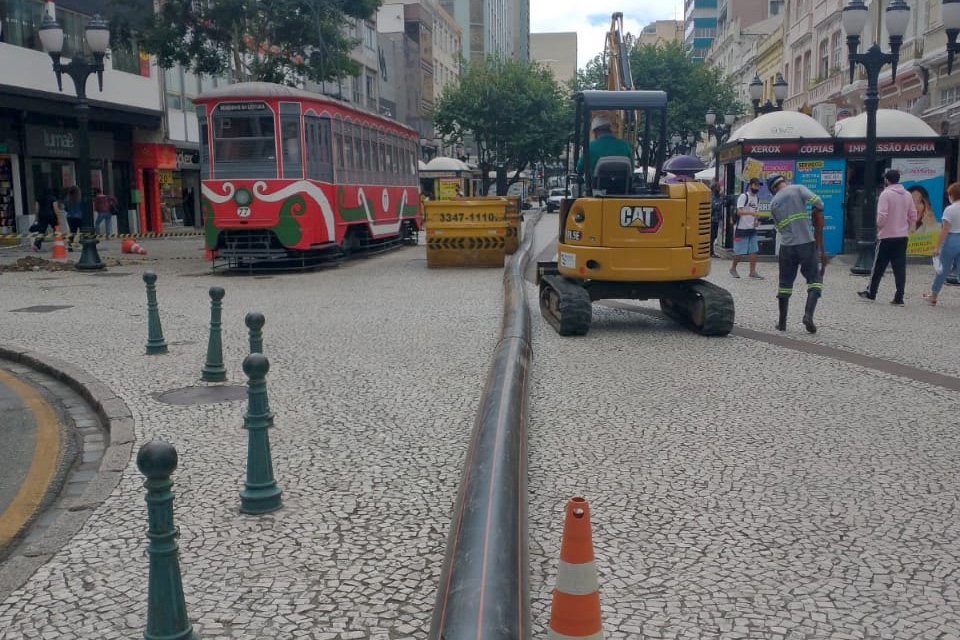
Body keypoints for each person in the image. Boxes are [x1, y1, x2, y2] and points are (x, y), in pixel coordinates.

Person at [766, 174, 826, 333]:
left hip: (787, 247)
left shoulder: (772, 204)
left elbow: (778, 227)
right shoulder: (798, 189)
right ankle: (808, 315)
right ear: (784, 181)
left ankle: (782, 323)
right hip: (806, 242)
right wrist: (817, 211)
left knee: (784, 284)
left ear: (772, 189)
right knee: (814, 280)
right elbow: (819, 202)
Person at [858, 169, 917, 305]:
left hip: (886, 236)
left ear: (886, 180)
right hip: (902, 236)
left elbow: (882, 215)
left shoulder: (886, 194)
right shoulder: (907, 194)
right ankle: (899, 297)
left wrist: (880, 226)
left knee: (878, 266)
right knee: (900, 267)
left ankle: (871, 293)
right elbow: (913, 213)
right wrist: (910, 227)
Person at [923, 181, 960, 305]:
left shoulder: (949, 209)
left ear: (952, 195)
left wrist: (937, 247)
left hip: (951, 239)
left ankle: (933, 296)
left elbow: (944, 229)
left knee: (942, 269)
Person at [730, 177, 763, 279]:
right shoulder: (744, 197)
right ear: (750, 185)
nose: (757, 187)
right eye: (755, 185)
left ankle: (752, 272)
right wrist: (751, 213)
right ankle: (733, 268)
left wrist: (756, 221)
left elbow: (755, 212)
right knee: (739, 252)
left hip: (752, 229)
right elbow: (739, 212)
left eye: (758, 186)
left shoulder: (757, 198)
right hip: (741, 229)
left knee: (754, 251)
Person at [32, 187, 60, 252]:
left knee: (41, 231)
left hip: (42, 216)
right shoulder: (53, 198)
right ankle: (58, 243)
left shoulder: (39, 198)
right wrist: (58, 218)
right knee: (56, 229)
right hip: (51, 216)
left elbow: (36, 209)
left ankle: (37, 245)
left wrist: (36, 217)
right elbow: (56, 209)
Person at [62, 186, 83, 252]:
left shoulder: (67, 199)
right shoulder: (80, 198)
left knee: (72, 232)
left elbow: (65, 208)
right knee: (82, 231)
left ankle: (70, 247)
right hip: (80, 216)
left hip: (70, 217)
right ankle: (82, 244)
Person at [710, 182, 723, 257]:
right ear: (714, 188)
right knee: (711, 236)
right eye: (718, 187)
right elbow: (714, 206)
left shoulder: (719, 196)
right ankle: (710, 252)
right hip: (712, 220)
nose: (720, 188)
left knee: (714, 236)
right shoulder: (711, 196)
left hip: (717, 220)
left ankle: (711, 251)